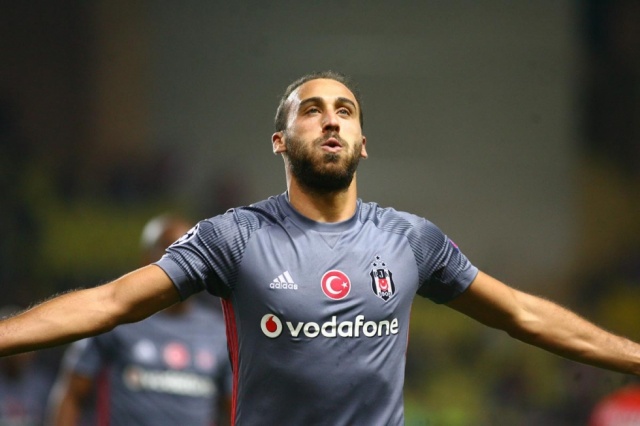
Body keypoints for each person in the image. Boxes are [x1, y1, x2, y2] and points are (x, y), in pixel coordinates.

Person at [2, 70, 640, 425]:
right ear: (280, 141)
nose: (331, 118)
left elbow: (522, 314)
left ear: (362, 142)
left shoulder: (410, 240)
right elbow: (112, 301)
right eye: (311, 109)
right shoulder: (235, 237)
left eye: (345, 110)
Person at [46, 214, 232, 426]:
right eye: (172, 250)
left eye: (193, 251)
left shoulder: (220, 332)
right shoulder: (117, 320)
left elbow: (234, 409)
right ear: (146, 259)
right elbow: (72, 395)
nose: (184, 261)